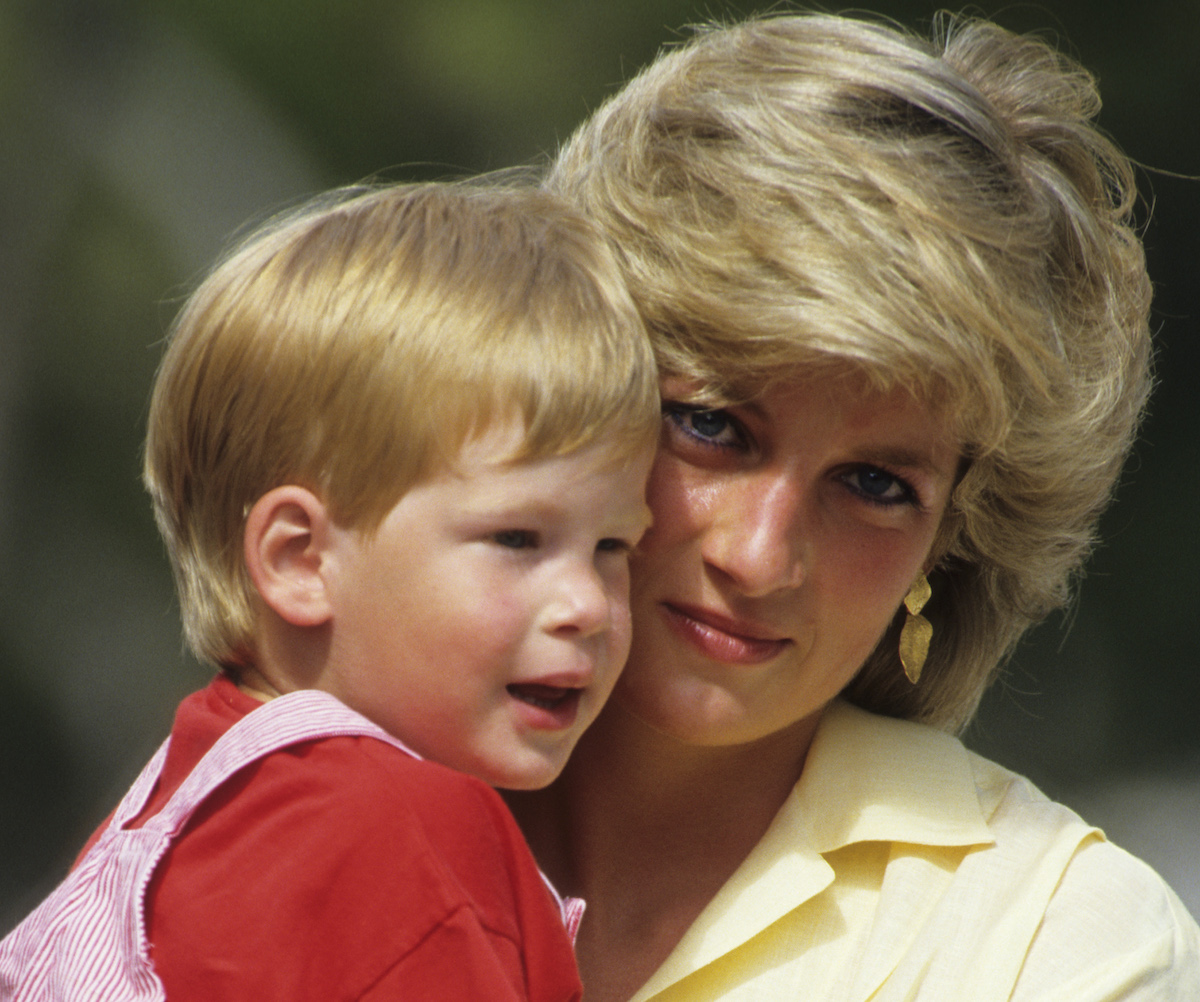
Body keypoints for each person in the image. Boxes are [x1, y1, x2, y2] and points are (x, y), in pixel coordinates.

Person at [505, 12, 1200, 1001]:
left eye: (875, 485)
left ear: (950, 544)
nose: (759, 555)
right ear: (573, 373)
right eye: (710, 424)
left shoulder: (1058, 945)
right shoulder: (301, 772)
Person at [0, 180, 659, 1001]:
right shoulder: (403, 835)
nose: (588, 605)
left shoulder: (168, 817)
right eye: (517, 540)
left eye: (614, 547)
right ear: (300, 559)